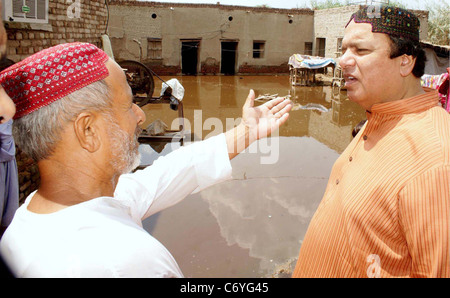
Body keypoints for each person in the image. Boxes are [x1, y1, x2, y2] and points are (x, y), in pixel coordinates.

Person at [0, 42, 292, 277]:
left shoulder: (25, 227)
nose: (141, 115)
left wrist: (246, 132)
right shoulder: (126, 263)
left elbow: (170, 172)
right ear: (88, 130)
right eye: (129, 105)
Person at [293, 5, 449, 278]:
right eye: (343, 50)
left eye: (360, 51)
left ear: (405, 61)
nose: (343, 61)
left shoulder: (435, 159)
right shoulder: (376, 120)